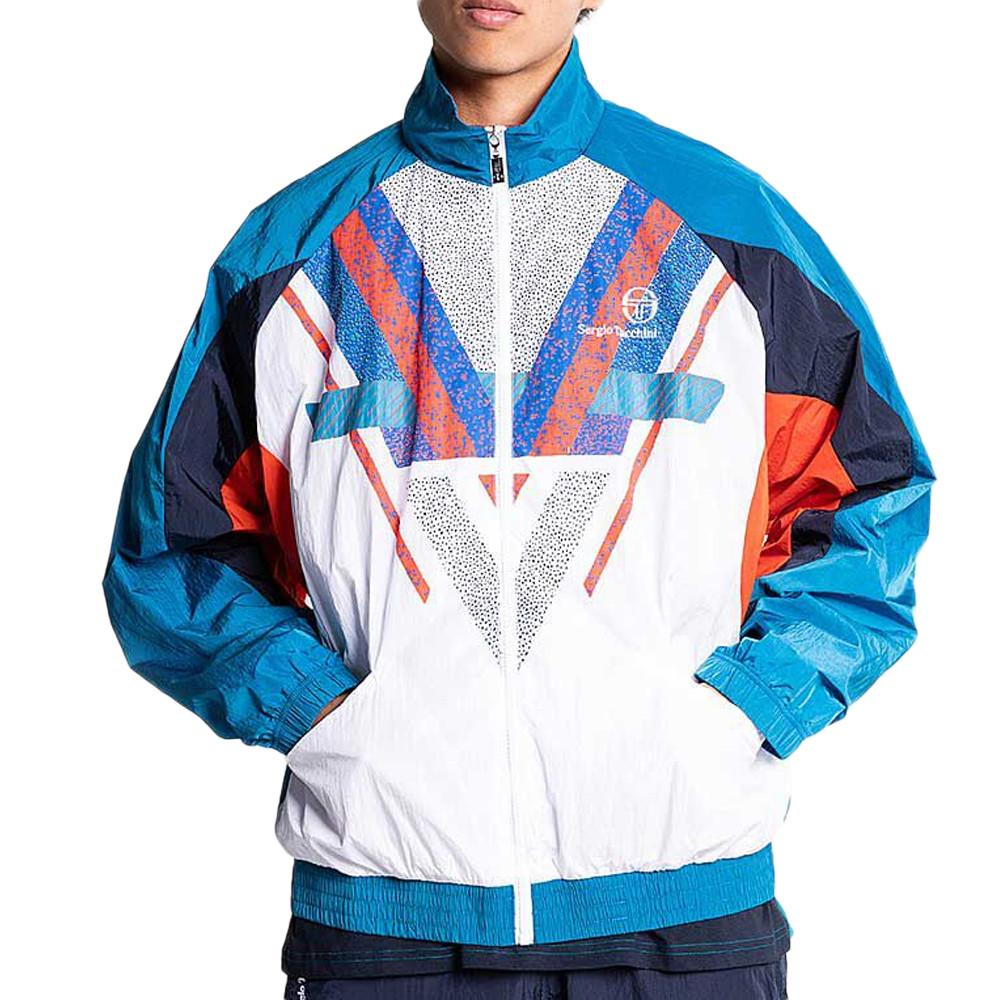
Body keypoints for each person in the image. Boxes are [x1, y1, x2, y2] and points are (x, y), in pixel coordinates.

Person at [101, 1, 934, 997]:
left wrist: (742, 712)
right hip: (387, 928)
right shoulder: (288, 256)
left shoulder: (732, 233)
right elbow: (173, 553)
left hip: (686, 921)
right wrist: (326, 716)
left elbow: (869, 500)